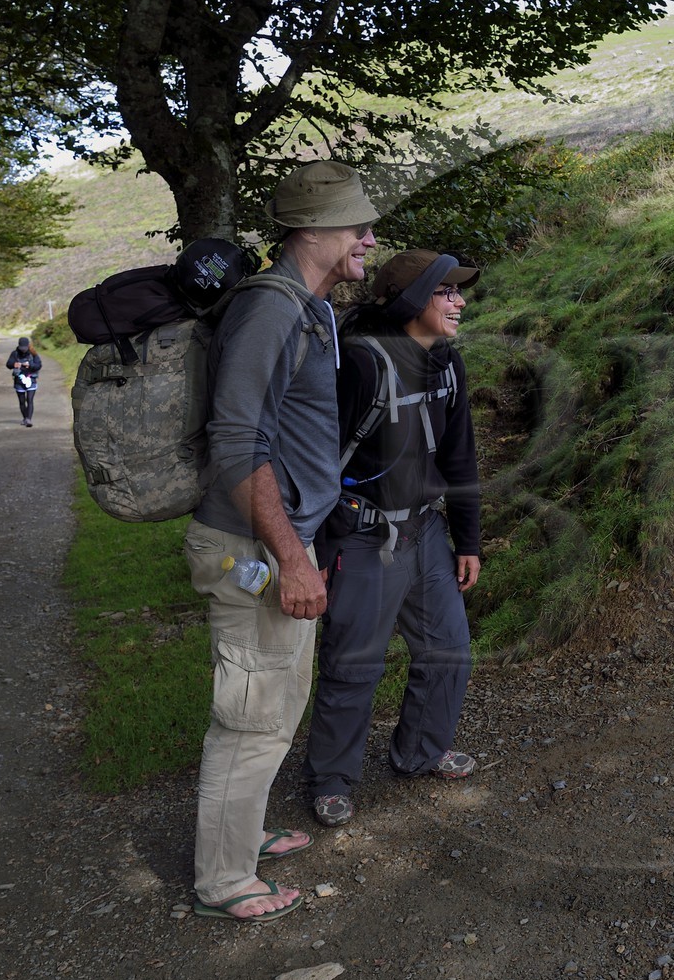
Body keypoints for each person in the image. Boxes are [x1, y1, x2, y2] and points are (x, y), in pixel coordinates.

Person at [181, 160, 379, 922]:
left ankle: (243, 835)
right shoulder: (271, 310)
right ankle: (223, 880)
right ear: (316, 229)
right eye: (357, 223)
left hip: (278, 542)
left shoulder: (308, 309)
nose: (368, 236)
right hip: (252, 550)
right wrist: (291, 559)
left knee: (276, 701)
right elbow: (236, 445)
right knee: (251, 715)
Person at [303, 249, 482, 828]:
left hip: (426, 529)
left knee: (448, 646)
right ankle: (332, 778)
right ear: (411, 300)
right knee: (354, 662)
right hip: (361, 535)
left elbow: (460, 457)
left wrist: (469, 540)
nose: (459, 301)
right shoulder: (360, 364)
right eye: (445, 291)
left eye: (459, 291)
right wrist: (321, 551)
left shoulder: (447, 363)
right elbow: (320, 463)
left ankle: (420, 753)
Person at [5, 336, 41, 426]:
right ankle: (25, 417)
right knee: (22, 401)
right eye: (22, 348)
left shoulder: (33, 354)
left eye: (25, 348)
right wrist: (14, 364)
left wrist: (30, 365)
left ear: (28, 346)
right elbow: (8, 364)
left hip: (31, 379)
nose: (23, 350)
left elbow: (38, 365)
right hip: (19, 380)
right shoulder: (15, 354)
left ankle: (29, 419)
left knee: (30, 400)